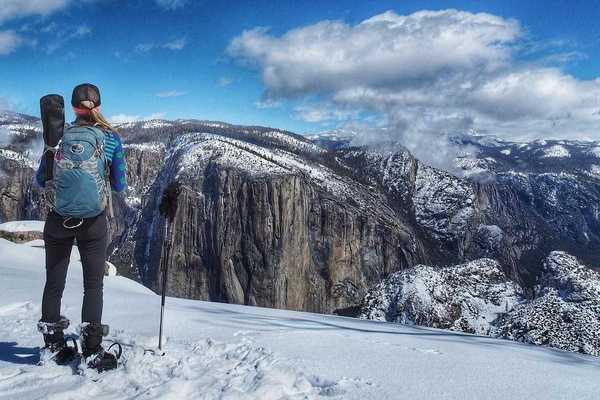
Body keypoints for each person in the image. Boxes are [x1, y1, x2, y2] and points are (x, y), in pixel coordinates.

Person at [35, 83, 127, 372]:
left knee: (54, 282)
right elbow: (120, 184)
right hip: (93, 223)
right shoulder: (110, 139)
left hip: (58, 220)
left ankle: (54, 345)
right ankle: (91, 350)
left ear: (73, 108)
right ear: (97, 106)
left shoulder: (58, 137)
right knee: (93, 285)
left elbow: (41, 180)